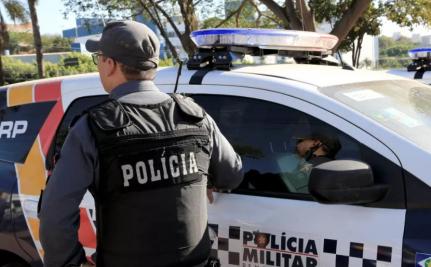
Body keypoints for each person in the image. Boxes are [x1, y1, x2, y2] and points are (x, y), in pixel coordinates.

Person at [39, 20, 243, 267]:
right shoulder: (195, 116)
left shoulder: (91, 128)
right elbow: (231, 174)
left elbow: (54, 215)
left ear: (110, 64)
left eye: (99, 57)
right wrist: (202, 176)